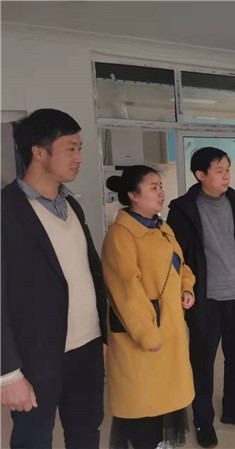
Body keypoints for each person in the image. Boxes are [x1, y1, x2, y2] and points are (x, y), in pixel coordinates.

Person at [1, 109, 107, 448]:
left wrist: (102, 334)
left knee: (86, 432)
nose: (79, 158)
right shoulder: (6, 211)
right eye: (71, 148)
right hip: (36, 355)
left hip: (87, 349)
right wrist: (7, 372)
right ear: (39, 152)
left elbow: (88, 273)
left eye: (80, 149)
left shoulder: (72, 206)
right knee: (33, 439)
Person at [167, 147, 235, 448]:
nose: (226, 176)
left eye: (228, 169)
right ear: (200, 175)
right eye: (219, 170)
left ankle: (234, 410)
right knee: (202, 363)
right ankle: (203, 419)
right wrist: (183, 291)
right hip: (204, 300)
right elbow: (175, 257)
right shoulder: (182, 210)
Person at [102, 165, 196, 449]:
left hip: (169, 331)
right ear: (133, 195)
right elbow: (126, 292)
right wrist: (147, 334)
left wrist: (186, 287)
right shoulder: (121, 236)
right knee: (144, 406)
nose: (161, 193)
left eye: (160, 187)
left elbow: (180, 266)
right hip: (144, 337)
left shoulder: (161, 227)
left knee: (164, 402)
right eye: (153, 187)